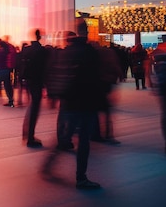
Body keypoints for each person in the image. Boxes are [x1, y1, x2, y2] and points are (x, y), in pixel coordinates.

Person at [42, 19, 103, 189]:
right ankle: (81, 178)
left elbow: (56, 72)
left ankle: (48, 163)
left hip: (68, 100)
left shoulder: (65, 51)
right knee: (83, 140)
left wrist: (55, 95)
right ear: (87, 31)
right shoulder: (90, 52)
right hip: (86, 102)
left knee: (65, 136)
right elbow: (95, 79)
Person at [20, 29, 48, 148]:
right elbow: (44, 68)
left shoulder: (27, 50)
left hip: (29, 80)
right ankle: (30, 136)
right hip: (37, 81)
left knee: (32, 106)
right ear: (40, 36)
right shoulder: (42, 51)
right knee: (35, 107)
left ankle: (26, 133)